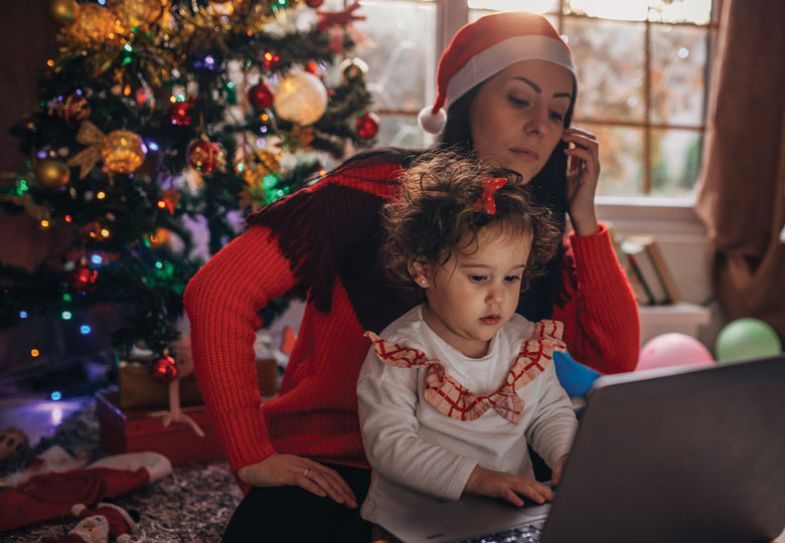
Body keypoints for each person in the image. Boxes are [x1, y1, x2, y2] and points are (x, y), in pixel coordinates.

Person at [183, 11, 639, 543]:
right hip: (340, 467)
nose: (541, 125)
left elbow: (612, 362)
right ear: (468, 102)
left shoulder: (525, 232)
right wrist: (251, 454)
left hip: (483, 474)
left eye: (559, 113)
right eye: (520, 100)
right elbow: (217, 293)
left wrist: (585, 223)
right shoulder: (368, 189)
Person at [357, 152, 578, 529]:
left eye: (511, 278)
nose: (499, 297)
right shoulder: (402, 353)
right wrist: (476, 479)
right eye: (479, 278)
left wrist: (566, 455)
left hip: (507, 515)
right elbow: (390, 446)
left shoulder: (523, 341)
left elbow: (548, 411)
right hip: (414, 525)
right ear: (423, 270)